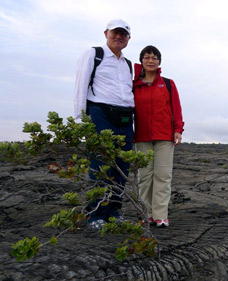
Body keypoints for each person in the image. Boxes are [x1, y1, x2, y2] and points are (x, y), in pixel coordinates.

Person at [73, 19, 134, 230]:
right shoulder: (93, 54)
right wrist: (80, 120)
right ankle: (95, 214)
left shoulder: (128, 64)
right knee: (99, 165)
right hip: (100, 114)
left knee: (122, 165)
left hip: (126, 118)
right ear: (106, 33)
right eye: (115, 33)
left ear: (128, 38)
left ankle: (113, 212)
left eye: (123, 34)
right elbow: (80, 86)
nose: (119, 37)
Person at [133, 45, 184, 228]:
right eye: (147, 57)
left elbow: (176, 108)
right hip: (142, 136)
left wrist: (178, 129)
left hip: (165, 136)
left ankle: (161, 216)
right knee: (145, 176)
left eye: (154, 58)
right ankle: (147, 215)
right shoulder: (134, 86)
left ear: (159, 61)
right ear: (141, 61)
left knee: (162, 175)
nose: (151, 60)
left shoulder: (168, 84)